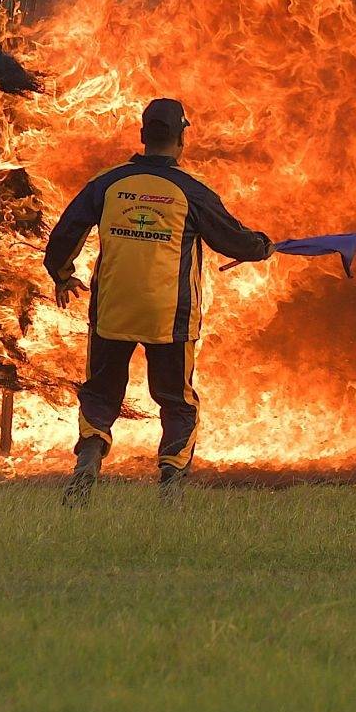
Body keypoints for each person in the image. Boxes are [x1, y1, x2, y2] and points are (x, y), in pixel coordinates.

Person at [43, 98, 273, 502]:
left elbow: (64, 235)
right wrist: (263, 247)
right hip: (171, 317)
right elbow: (232, 239)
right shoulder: (190, 191)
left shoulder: (108, 184)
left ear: (142, 135)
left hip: (113, 308)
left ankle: (89, 459)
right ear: (182, 139)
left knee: (100, 391)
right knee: (176, 399)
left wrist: (63, 275)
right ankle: (170, 480)